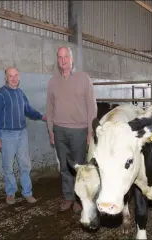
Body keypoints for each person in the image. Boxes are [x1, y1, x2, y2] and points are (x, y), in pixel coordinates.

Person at [46, 46, 97, 213]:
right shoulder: (53, 82)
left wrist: (90, 131)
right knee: (64, 167)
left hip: (79, 131)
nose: (63, 60)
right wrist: (51, 131)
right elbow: (49, 108)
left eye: (65, 56)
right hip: (59, 130)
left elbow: (92, 106)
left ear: (71, 59)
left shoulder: (84, 79)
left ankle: (79, 199)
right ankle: (68, 197)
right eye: (59, 57)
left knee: (79, 167)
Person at [0, 67, 47, 205]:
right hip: (7, 134)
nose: (14, 78)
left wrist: (41, 116)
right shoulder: (0, 94)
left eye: (16, 75)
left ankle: (27, 192)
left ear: (19, 77)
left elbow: (28, 110)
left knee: (25, 164)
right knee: (8, 166)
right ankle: (10, 193)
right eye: (10, 76)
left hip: (22, 133)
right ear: (6, 78)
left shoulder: (20, 93)